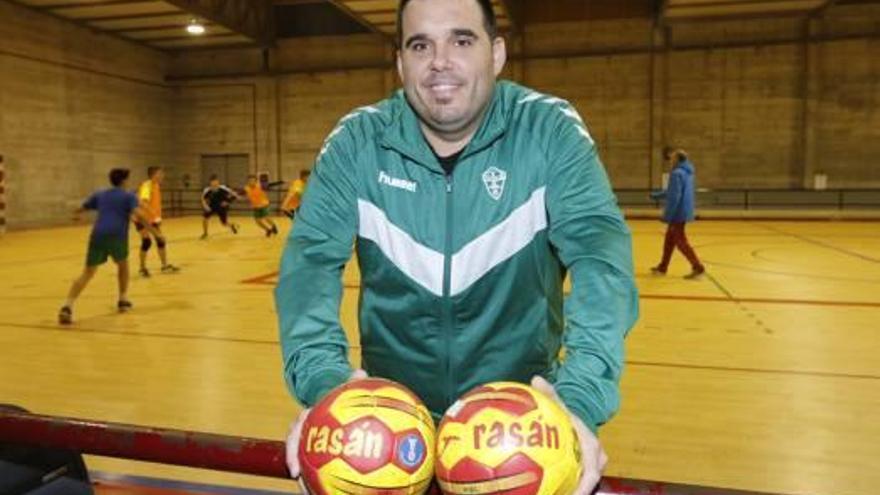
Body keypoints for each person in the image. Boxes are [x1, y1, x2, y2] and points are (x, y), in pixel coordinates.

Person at [276, 0, 639, 493]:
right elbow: (309, 267)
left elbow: (602, 260)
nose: (440, 61)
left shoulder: (548, 130)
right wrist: (327, 388)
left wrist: (578, 398)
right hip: (393, 436)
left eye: (461, 41)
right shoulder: (357, 142)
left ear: (496, 53)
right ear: (401, 62)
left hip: (519, 431)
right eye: (420, 44)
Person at [59, 168, 162, 325]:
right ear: (124, 181)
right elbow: (140, 216)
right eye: (128, 179)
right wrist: (155, 233)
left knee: (87, 273)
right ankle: (122, 299)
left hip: (97, 235)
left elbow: (84, 207)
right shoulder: (128, 196)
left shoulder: (101, 193)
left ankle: (67, 306)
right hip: (116, 236)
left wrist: (76, 214)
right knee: (123, 266)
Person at [650, 147, 705, 279]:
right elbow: (673, 192)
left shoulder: (676, 174)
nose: (670, 161)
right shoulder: (687, 173)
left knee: (680, 241)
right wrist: (657, 195)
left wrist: (667, 216)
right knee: (669, 240)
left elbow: (675, 196)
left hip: (677, 213)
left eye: (672, 159)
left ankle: (698, 267)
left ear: (677, 159)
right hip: (685, 210)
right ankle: (663, 267)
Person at [135, 166, 179, 277]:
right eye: (160, 173)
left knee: (160, 241)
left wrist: (157, 217)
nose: (162, 176)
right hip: (142, 219)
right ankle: (142, 268)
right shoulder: (147, 185)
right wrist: (154, 214)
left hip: (152, 219)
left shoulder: (156, 185)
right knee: (147, 242)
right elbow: (143, 203)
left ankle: (164, 266)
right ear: (154, 175)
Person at [200, 174, 240, 239]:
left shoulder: (223, 188)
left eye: (216, 182)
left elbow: (234, 195)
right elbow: (203, 199)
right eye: (212, 182)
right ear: (210, 183)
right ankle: (205, 233)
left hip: (222, 207)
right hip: (212, 206)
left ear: (218, 182)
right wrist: (205, 206)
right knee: (205, 219)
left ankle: (232, 226)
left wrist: (227, 202)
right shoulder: (207, 190)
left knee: (224, 223)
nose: (214, 183)